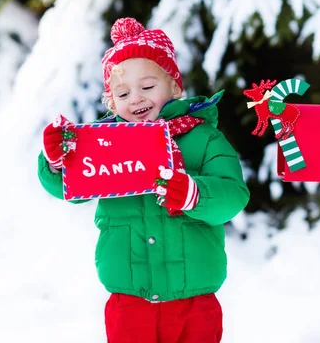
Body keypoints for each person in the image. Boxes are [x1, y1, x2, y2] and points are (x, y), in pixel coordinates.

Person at [37, 17, 250, 342]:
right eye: (122, 93)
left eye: (147, 87)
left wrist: (195, 194)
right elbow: (72, 187)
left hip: (193, 299)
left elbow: (233, 195)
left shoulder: (201, 137)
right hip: (130, 300)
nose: (136, 98)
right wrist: (57, 162)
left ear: (174, 86)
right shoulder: (106, 143)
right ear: (112, 101)